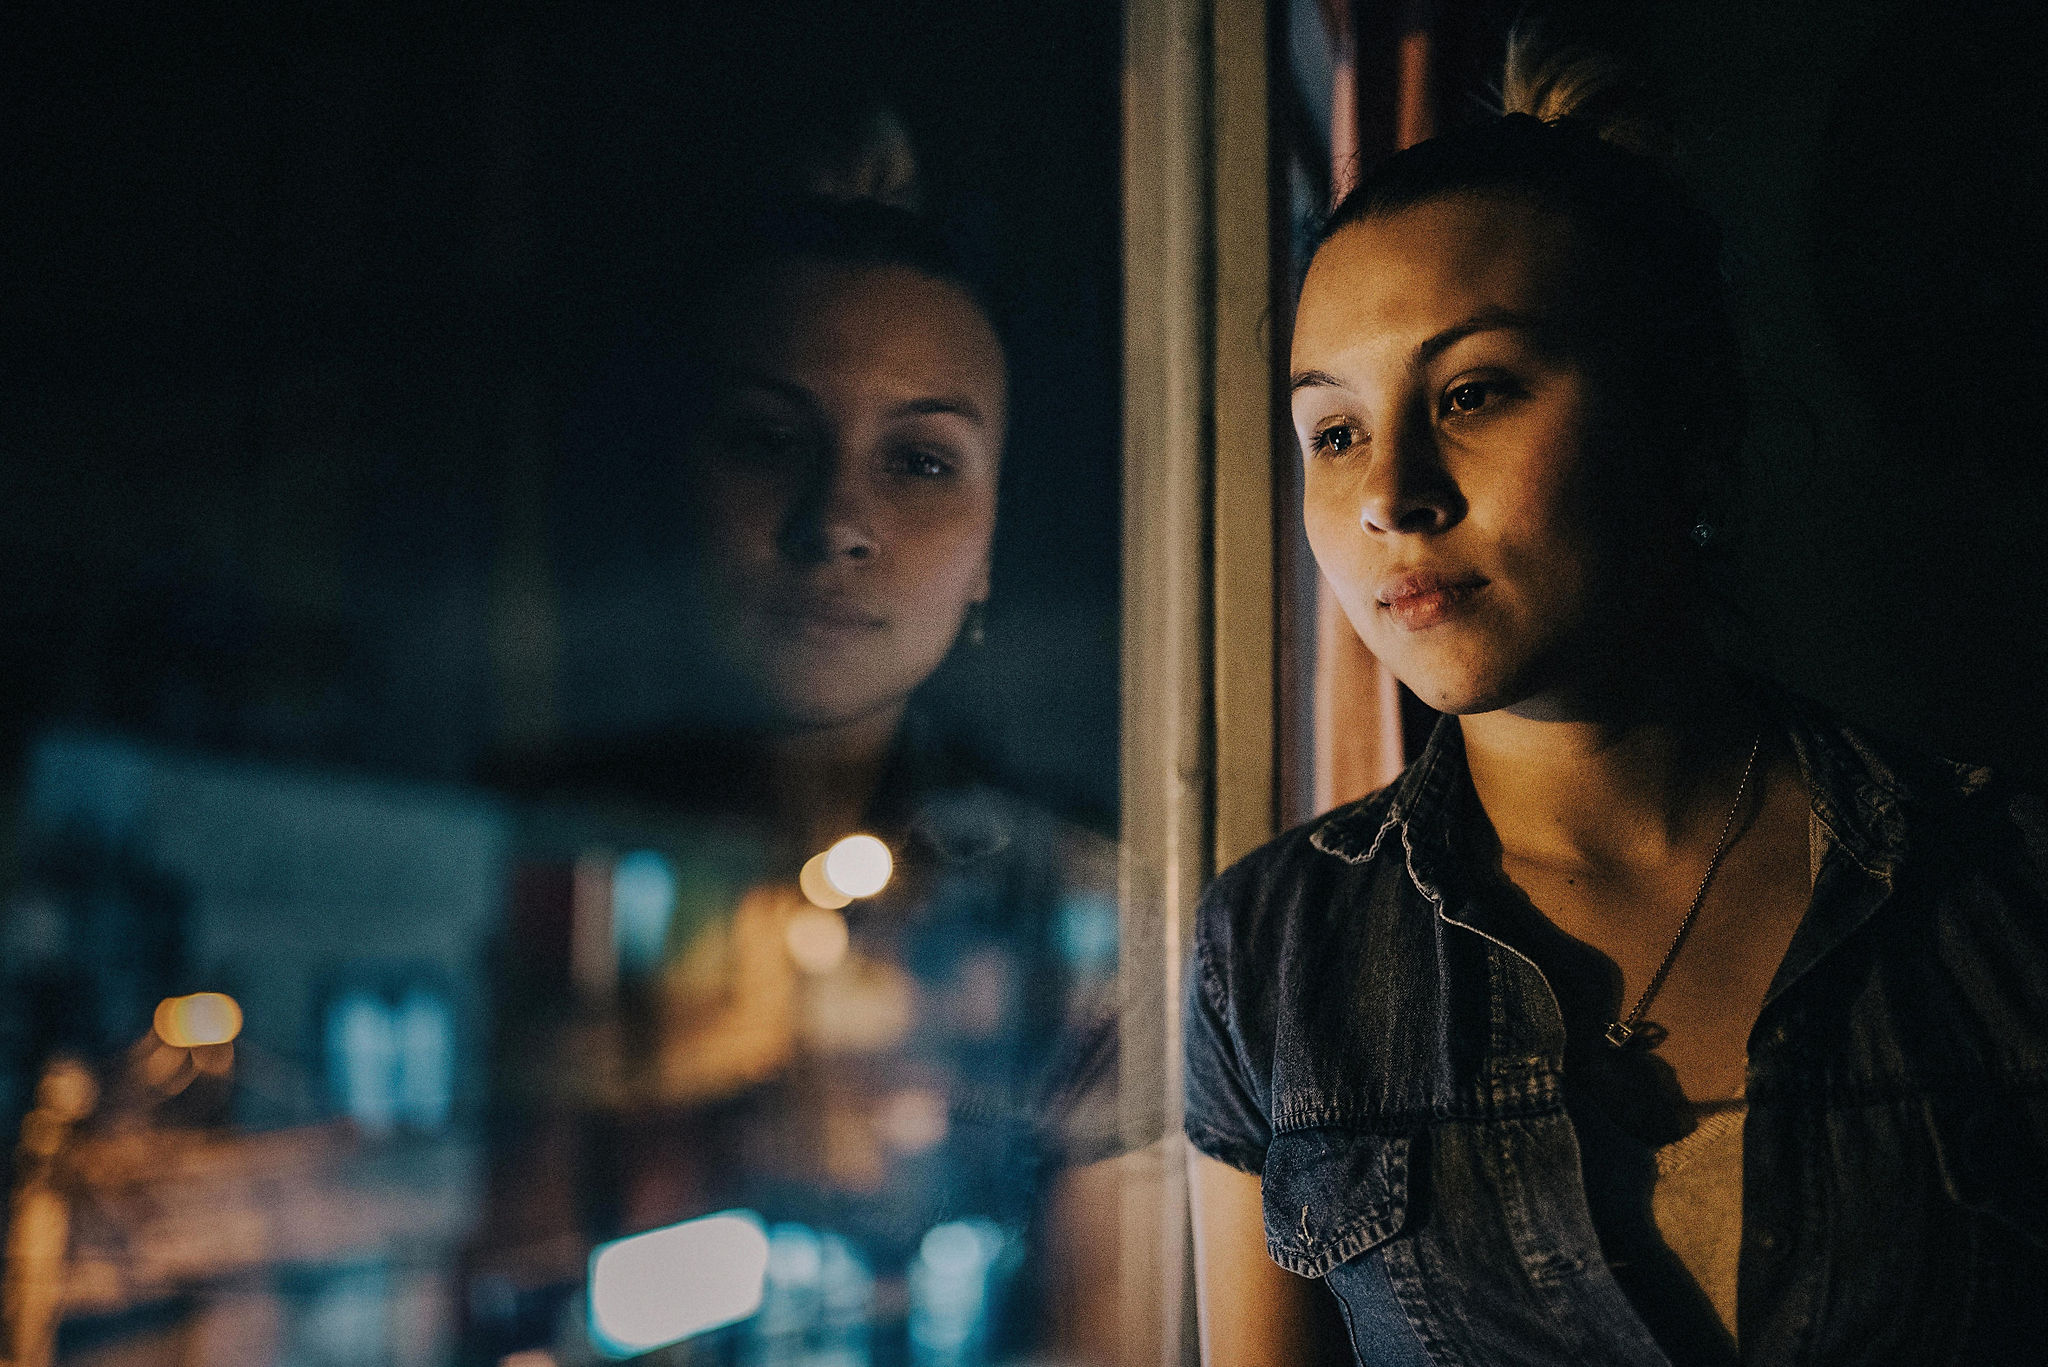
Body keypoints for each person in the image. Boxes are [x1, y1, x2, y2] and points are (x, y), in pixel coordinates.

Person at [1182, 32, 2048, 1367]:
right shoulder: (1278, 949)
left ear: (1686, 428)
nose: (1389, 493)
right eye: (1335, 429)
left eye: (1474, 391)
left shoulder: (1995, 892)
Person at [468, 197, 1124, 1365]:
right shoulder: (506, 850)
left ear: (988, 550)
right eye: (767, 440)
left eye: (920, 460)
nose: (836, 522)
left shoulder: (1073, 908)